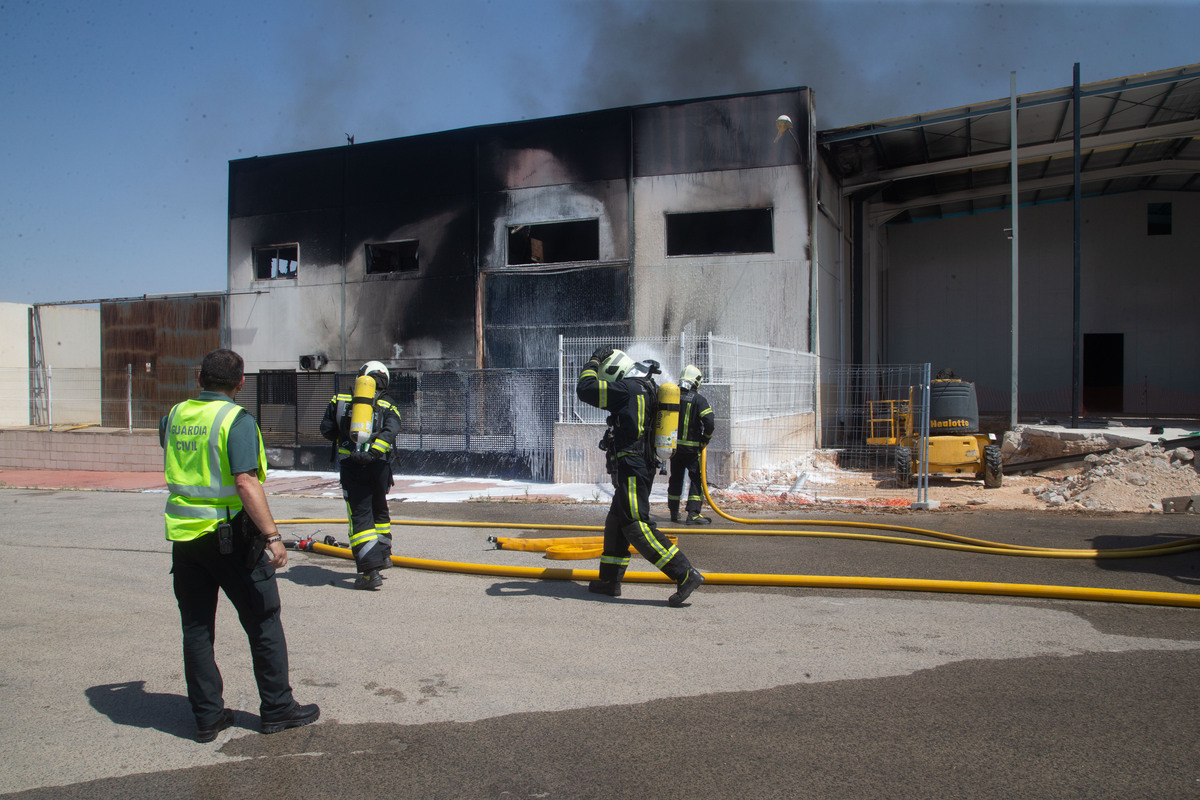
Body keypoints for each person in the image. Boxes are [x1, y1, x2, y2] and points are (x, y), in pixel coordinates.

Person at [162, 348, 319, 742]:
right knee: (263, 619)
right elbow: (246, 482)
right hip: (230, 535)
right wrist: (273, 536)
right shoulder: (236, 420)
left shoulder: (174, 417)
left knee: (197, 628)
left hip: (185, 539)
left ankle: (207, 717)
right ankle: (278, 708)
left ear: (199, 377)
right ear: (240, 383)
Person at [576, 346, 704, 607]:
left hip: (633, 468)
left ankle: (685, 573)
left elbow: (585, 389)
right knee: (616, 522)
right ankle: (610, 581)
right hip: (637, 466)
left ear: (613, 372)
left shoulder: (626, 390)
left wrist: (593, 359)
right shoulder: (647, 387)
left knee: (635, 524)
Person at [320, 360, 403, 590]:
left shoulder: (340, 400)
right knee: (379, 509)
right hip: (379, 467)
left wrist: (346, 433)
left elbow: (326, 430)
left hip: (352, 465)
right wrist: (374, 453)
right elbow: (392, 429)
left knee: (360, 515)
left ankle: (369, 572)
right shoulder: (389, 403)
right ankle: (384, 556)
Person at [668, 364, 716, 525]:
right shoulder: (699, 400)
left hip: (674, 449)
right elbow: (709, 421)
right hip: (693, 449)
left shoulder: (672, 396)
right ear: (696, 381)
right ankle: (693, 514)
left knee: (676, 478)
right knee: (696, 479)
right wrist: (705, 438)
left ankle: (674, 512)